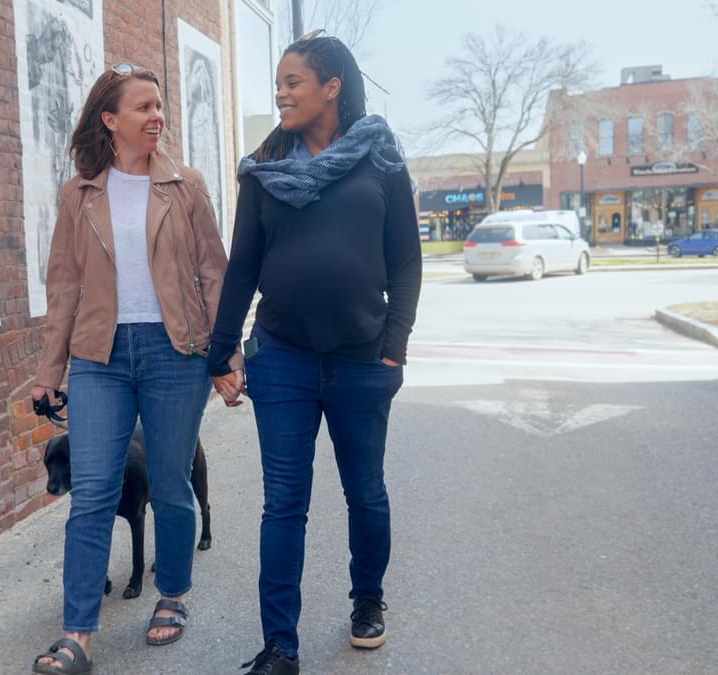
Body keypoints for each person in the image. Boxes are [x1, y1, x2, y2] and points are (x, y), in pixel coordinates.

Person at [207, 33, 422, 675]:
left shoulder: (380, 158)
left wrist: (394, 348)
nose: (280, 92)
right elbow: (242, 267)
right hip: (283, 359)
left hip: (362, 360)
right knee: (284, 504)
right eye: (278, 82)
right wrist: (223, 354)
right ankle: (281, 646)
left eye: (293, 81)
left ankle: (368, 600)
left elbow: (406, 261)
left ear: (331, 87)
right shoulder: (265, 169)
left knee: (366, 493)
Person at [30, 62, 239, 675]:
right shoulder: (79, 194)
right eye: (143, 107)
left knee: (171, 484)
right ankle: (77, 636)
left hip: (175, 351)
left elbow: (213, 273)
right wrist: (49, 370)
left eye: (159, 106)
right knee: (92, 492)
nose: (157, 116)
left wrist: (227, 354)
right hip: (99, 358)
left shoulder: (185, 186)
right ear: (110, 118)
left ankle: (171, 592)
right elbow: (63, 287)